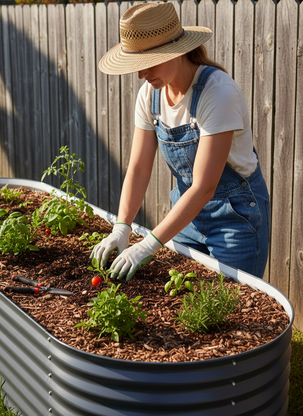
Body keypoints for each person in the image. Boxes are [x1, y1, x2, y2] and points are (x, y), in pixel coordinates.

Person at [91, 2, 270, 281]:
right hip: (186, 217)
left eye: (147, 64)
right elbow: (138, 169)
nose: (141, 75)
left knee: (225, 311)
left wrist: (148, 245)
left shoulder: (218, 93)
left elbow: (204, 187)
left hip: (235, 220)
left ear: (175, 52)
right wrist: (121, 226)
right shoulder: (149, 97)